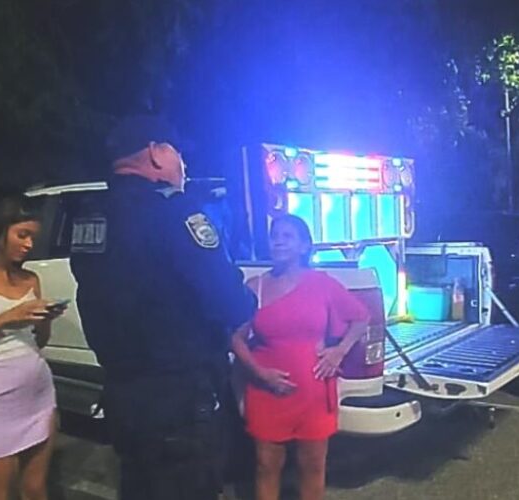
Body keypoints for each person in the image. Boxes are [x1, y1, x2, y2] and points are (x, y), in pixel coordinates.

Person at [69, 115, 256, 500]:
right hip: (180, 399)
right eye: (178, 153)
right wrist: (247, 299)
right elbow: (229, 301)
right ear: (155, 153)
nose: (183, 164)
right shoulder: (176, 212)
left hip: (123, 394)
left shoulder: (91, 215)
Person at [231, 214, 370, 500]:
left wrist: (338, 351)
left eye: (288, 236)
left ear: (305, 246)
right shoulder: (255, 287)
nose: (279, 241)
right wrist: (260, 373)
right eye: (274, 236)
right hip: (267, 392)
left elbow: (361, 318)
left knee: (313, 466)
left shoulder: (322, 284)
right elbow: (235, 338)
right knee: (266, 466)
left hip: (313, 394)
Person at [0, 190, 67, 500]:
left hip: (38, 395)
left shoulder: (31, 279)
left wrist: (45, 320)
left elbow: (40, 342)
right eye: (22, 235)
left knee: (35, 489)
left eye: (33, 237)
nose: (29, 245)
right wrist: (7, 318)